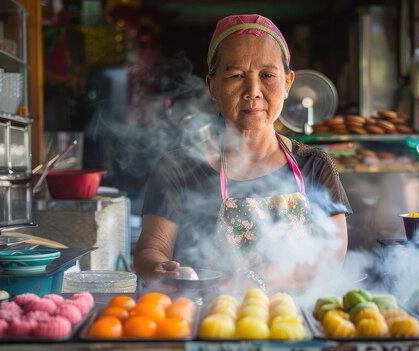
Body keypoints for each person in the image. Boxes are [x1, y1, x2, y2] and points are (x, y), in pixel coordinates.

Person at [134, 14, 351, 292]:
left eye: (267, 75)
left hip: (295, 320)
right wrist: (159, 269)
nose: (253, 91)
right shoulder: (178, 167)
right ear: (212, 86)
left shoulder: (315, 165)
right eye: (236, 75)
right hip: (208, 321)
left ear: (287, 83)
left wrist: (270, 280)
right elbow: (152, 249)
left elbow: (332, 254)